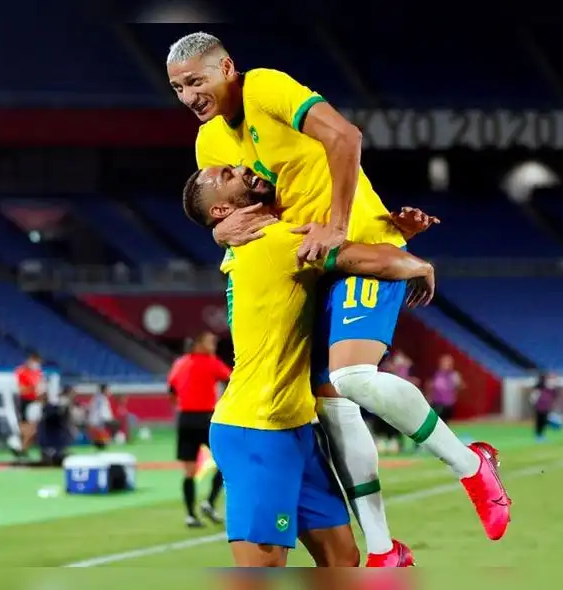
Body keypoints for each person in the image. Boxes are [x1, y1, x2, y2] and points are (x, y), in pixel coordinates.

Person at [168, 31, 511, 559]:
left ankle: (471, 465)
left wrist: (341, 225)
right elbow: (229, 208)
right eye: (177, 88)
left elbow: (345, 137)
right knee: (329, 406)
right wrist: (218, 232)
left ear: (227, 67)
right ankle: (383, 548)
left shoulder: (265, 88)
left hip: (351, 243)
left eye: (195, 81)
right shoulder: (209, 143)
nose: (188, 96)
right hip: (308, 258)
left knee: (352, 378)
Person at [181, 168, 437, 568]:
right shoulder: (272, 242)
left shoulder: (261, 240)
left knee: (343, 560)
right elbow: (373, 261)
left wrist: (399, 234)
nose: (243, 168)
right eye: (228, 174)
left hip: (297, 428)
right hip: (256, 430)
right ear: (221, 210)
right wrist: (421, 265)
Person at [168, 331, 232, 528]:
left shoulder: (180, 363)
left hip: (185, 418)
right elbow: (231, 380)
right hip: (206, 418)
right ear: (198, 344)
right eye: (209, 341)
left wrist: (181, 405)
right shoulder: (211, 362)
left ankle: (190, 515)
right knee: (226, 462)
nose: (213, 345)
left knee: (189, 470)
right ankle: (209, 502)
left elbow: (171, 390)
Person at [13, 351, 43, 457]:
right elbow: (21, 389)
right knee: (25, 427)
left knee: (33, 427)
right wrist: (32, 389)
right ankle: (22, 447)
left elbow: (39, 387)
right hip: (23, 401)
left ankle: (23, 448)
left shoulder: (38, 373)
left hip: (35, 402)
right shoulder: (21, 372)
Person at [427, 355, 463, 423]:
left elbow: (459, 386)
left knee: (445, 422)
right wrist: (429, 396)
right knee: (436, 421)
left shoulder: (454, 375)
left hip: (448, 403)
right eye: (445, 363)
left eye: (449, 363)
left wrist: (457, 388)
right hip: (436, 402)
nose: (447, 365)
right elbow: (429, 386)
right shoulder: (436, 374)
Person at [530, 373, 560, 441]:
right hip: (539, 407)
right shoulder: (540, 387)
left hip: (545, 407)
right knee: (540, 421)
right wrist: (534, 403)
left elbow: (553, 398)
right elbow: (534, 397)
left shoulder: (552, 390)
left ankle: (541, 435)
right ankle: (538, 435)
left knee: (543, 421)